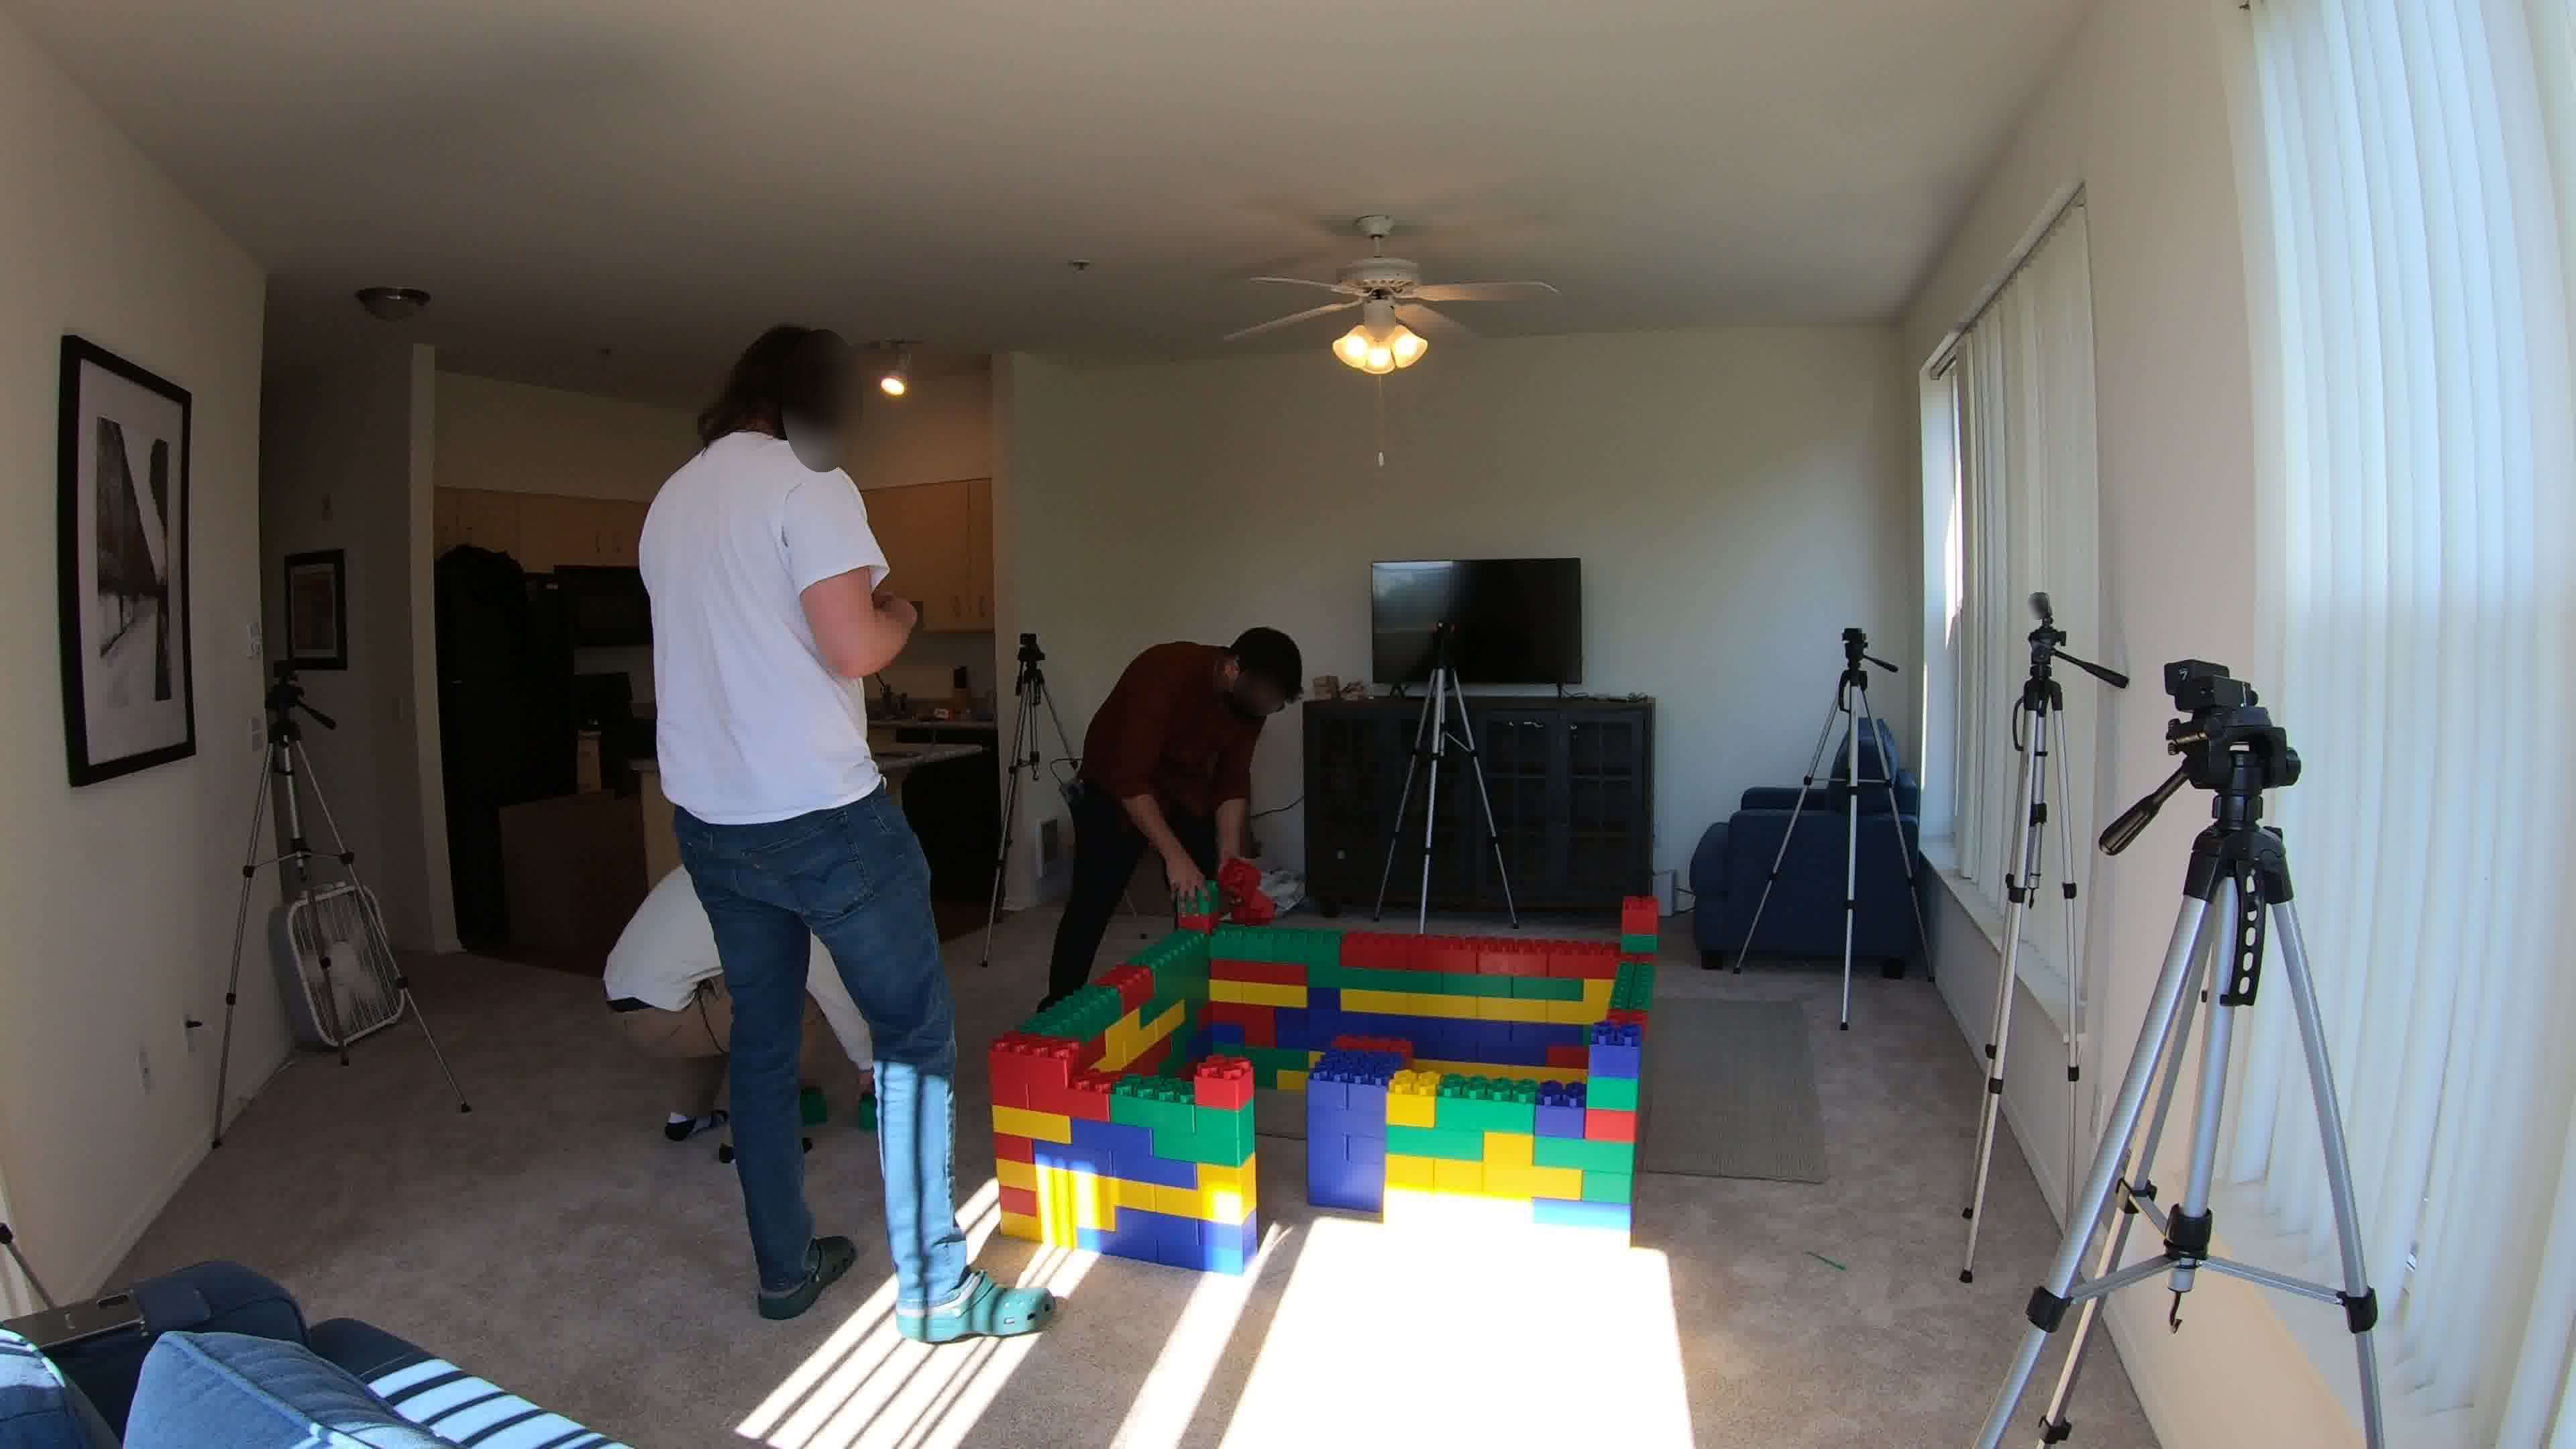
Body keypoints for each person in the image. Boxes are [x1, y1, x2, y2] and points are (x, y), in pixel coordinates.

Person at [641, 325, 1054, 1338]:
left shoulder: (673, 499)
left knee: (764, 1043)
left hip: (714, 825)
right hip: (821, 816)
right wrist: (902, 612)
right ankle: (938, 1290)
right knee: (912, 1038)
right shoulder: (808, 482)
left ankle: (785, 1271)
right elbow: (854, 646)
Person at [1044, 629, 1302, 1009]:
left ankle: (1192, 999)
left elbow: (1232, 779)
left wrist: (1229, 853)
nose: (1266, 706)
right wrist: (1173, 856)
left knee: (1202, 892)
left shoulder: (1250, 705)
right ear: (1234, 669)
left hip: (1184, 788)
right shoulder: (1164, 672)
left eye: (1274, 703)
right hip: (1114, 788)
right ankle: (1057, 1008)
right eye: (1265, 696)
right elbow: (1129, 779)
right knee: (1092, 902)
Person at [604, 867, 876, 1142]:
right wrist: (867, 1063)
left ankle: (688, 1116)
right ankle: (752, 1141)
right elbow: (831, 990)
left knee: (729, 1004)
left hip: (627, 1001)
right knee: (792, 1002)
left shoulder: (726, 857)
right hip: (661, 1015)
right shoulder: (791, 895)